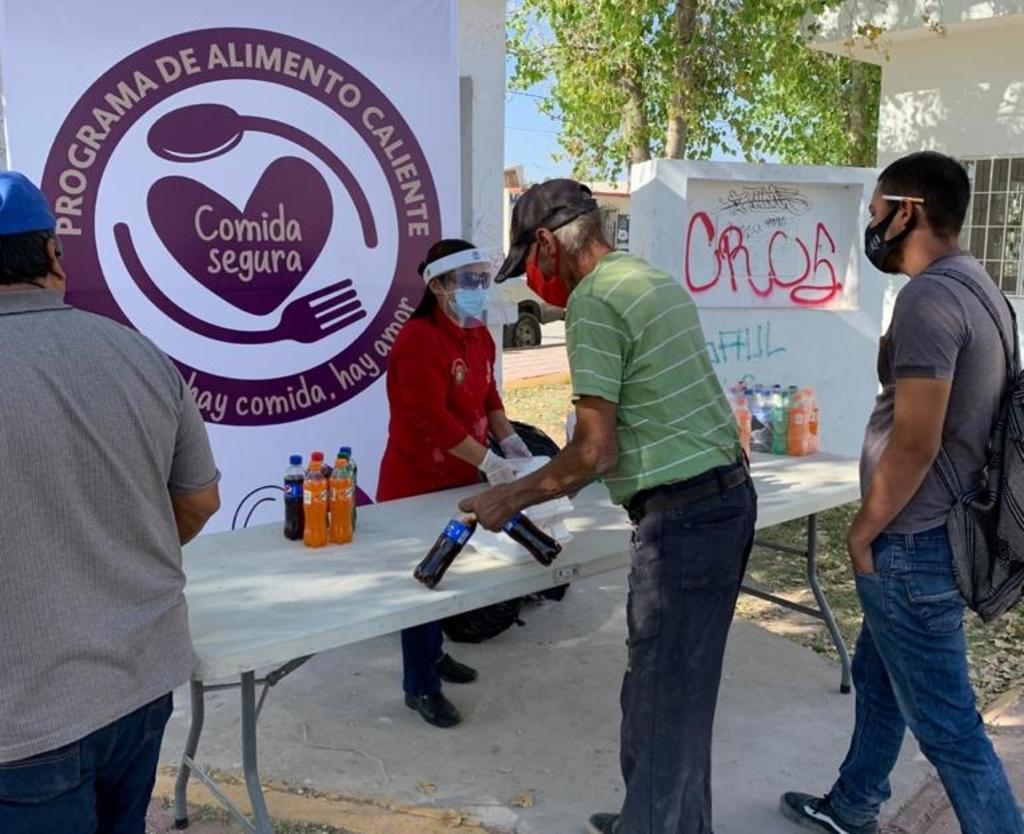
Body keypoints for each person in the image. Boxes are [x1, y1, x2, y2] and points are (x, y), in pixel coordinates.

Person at [458, 179, 757, 834]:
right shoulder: (647, 278)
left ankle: (648, 823)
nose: (534, 283)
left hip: (683, 520)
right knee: (682, 697)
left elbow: (594, 451)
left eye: (528, 265)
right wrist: (553, 481)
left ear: (546, 244)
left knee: (658, 701)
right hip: (725, 499)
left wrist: (509, 497)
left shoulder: (593, 301)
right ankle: (665, 821)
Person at [781, 152, 1024, 834]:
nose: (870, 226)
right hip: (940, 532)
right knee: (881, 679)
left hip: (913, 543)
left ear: (906, 211)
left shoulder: (930, 299)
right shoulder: (980, 288)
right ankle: (853, 805)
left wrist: (864, 531)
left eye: (875, 211)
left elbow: (917, 440)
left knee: (950, 730)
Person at [0, 172, 221, 833]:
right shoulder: (139, 354)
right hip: (139, 685)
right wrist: (113, 554)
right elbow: (200, 500)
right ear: (52, 255)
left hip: (24, 718)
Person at [377, 238, 532, 728]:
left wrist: (510, 442)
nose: (478, 289)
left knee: (450, 576)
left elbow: (489, 397)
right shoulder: (418, 340)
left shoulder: (477, 333)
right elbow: (431, 421)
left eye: (483, 279)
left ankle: (434, 654)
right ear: (439, 286)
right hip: (416, 483)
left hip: (461, 479)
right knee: (424, 582)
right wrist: (489, 461)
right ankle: (420, 687)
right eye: (468, 281)